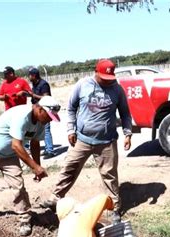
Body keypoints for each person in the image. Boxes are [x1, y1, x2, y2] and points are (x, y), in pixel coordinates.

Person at [41, 59, 133, 222]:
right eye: (104, 77)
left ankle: (114, 208)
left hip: (107, 141)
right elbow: (71, 108)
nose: (107, 80)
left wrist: (128, 133)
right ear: (96, 72)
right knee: (70, 167)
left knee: (109, 175)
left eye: (109, 77)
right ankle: (56, 197)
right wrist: (71, 129)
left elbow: (125, 113)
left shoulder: (117, 89)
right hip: (82, 139)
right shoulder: (83, 85)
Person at [0, 96, 60, 236]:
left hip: (9, 156)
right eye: (49, 115)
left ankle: (24, 219)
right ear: (40, 109)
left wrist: (37, 167)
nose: (50, 119)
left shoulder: (40, 122)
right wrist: (35, 167)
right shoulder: (22, 115)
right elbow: (16, 145)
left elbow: (34, 143)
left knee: (18, 186)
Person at [28, 67, 56, 158]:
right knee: (40, 131)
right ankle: (48, 149)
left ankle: (50, 151)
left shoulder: (43, 84)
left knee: (46, 130)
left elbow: (46, 98)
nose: (29, 77)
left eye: (30, 75)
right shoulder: (34, 84)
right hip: (37, 110)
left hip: (45, 110)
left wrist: (33, 95)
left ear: (34, 75)